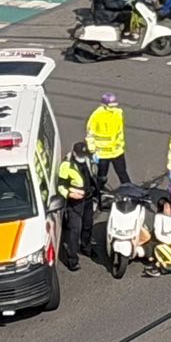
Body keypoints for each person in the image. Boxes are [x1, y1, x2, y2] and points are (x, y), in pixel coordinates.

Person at [57, 140, 97, 273]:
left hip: (88, 198)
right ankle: (72, 259)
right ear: (74, 153)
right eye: (80, 155)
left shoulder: (88, 159)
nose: (82, 157)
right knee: (75, 230)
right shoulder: (66, 165)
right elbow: (61, 186)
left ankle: (86, 247)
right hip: (75, 202)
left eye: (83, 155)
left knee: (88, 225)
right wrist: (70, 193)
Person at [86, 93, 129, 191]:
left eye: (115, 106)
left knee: (123, 174)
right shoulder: (96, 116)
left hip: (117, 151)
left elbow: (120, 132)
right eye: (111, 106)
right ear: (104, 105)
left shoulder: (118, 113)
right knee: (101, 177)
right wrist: (92, 150)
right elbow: (90, 135)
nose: (113, 108)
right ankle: (97, 195)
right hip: (102, 153)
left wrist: (121, 145)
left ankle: (130, 193)